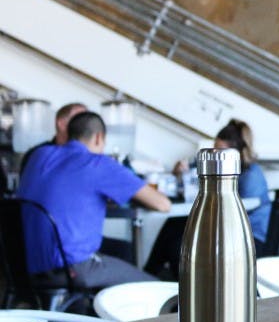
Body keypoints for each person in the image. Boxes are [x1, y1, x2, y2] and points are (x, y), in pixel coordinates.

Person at [16, 111, 171, 291]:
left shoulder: (38, 155)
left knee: (120, 251)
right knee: (159, 290)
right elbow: (163, 204)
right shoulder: (98, 163)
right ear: (99, 138)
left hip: (25, 265)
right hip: (70, 268)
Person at [172, 119, 271, 253]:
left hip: (249, 239)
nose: (215, 155)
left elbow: (235, 215)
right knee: (176, 226)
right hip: (231, 233)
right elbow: (192, 168)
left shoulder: (250, 176)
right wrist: (180, 169)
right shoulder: (223, 166)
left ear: (237, 153)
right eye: (214, 150)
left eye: (220, 152)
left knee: (180, 236)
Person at [18, 101, 87, 176]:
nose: (87, 126)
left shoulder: (88, 155)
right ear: (62, 124)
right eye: (80, 121)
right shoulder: (38, 155)